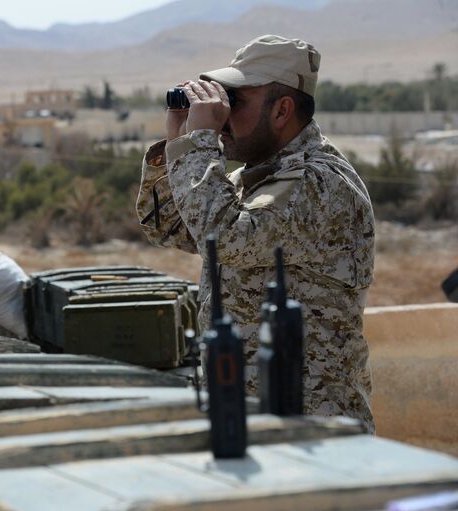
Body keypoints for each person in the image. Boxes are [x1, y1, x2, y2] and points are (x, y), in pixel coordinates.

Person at [136, 34, 375, 432]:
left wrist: (198, 147)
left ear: (281, 110)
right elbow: (170, 226)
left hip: (313, 425)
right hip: (248, 414)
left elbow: (228, 238)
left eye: (236, 101)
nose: (222, 114)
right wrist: (178, 144)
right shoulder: (258, 180)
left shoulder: (319, 183)